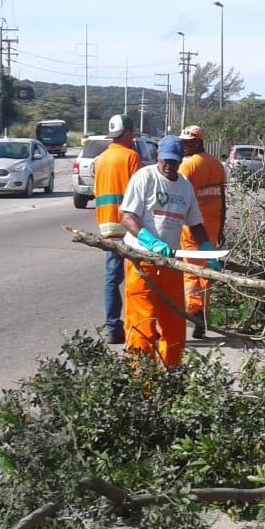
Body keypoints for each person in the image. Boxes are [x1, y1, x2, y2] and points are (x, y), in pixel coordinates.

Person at [120, 135, 217, 367]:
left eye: (173, 161)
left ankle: (171, 377)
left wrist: (207, 250)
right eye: (165, 160)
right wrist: (150, 242)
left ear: (181, 160)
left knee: (174, 325)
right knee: (142, 324)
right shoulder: (145, 177)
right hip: (141, 262)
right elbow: (127, 216)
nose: (168, 165)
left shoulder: (184, 185)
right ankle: (142, 384)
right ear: (157, 157)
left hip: (171, 263)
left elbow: (195, 224)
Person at [94, 113, 142, 344]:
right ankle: (139, 325)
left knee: (112, 279)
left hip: (107, 226)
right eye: (132, 133)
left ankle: (113, 329)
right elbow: (139, 194)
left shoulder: (101, 159)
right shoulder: (131, 157)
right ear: (128, 132)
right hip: (129, 226)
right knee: (139, 278)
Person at [177, 125, 227, 340]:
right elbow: (223, 198)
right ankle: (203, 314)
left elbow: (179, 199)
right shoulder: (217, 165)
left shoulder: (187, 166)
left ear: (197, 142)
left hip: (192, 228)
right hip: (212, 227)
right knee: (207, 273)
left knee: (191, 272)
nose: (183, 146)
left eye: (187, 142)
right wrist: (222, 226)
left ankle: (195, 314)